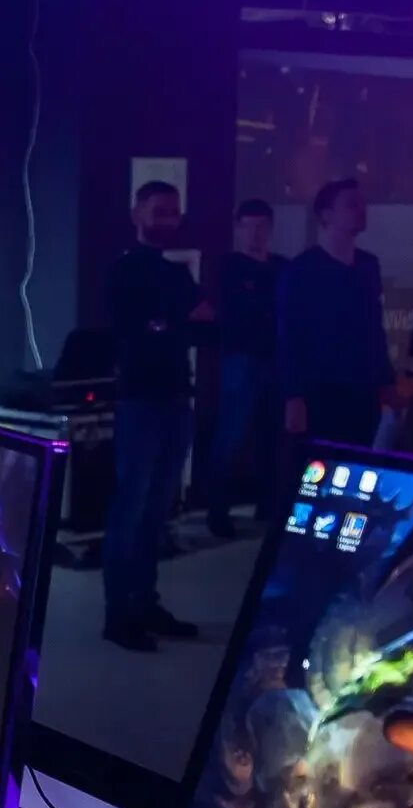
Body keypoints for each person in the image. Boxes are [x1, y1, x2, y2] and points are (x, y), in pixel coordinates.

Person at [101, 181, 205, 653]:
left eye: (173, 212)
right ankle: (118, 615)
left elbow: (202, 320)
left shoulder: (176, 274)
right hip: (140, 401)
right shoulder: (124, 271)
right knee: (132, 507)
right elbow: (133, 329)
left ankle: (145, 603)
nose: (168, 219)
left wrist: (165, 325)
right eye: (159, 210)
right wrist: (165, 326)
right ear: (137, 213)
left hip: (176, 398)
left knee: (156, 510)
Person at [278, 179, 396, 448]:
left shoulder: (368, 265)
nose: (361, 211)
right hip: (320, 391)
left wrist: (386, 382)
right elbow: (290, 338)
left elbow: (375, 329)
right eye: (351, 205)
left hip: (363, 391)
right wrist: (294, 397)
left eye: (362, 204)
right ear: (326, 215)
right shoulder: (301, 271)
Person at [205, 199, 285, 536]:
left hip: (276, 359)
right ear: (239, 229)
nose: (255, 233)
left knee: (272, 436)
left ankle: (268, 505)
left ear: (270, 229)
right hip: (242, 359)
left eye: (261, 226)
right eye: (249, 227)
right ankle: (217, 511)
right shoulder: (230, 267)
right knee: (232, 435)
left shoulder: (282, 267)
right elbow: (234, 311)